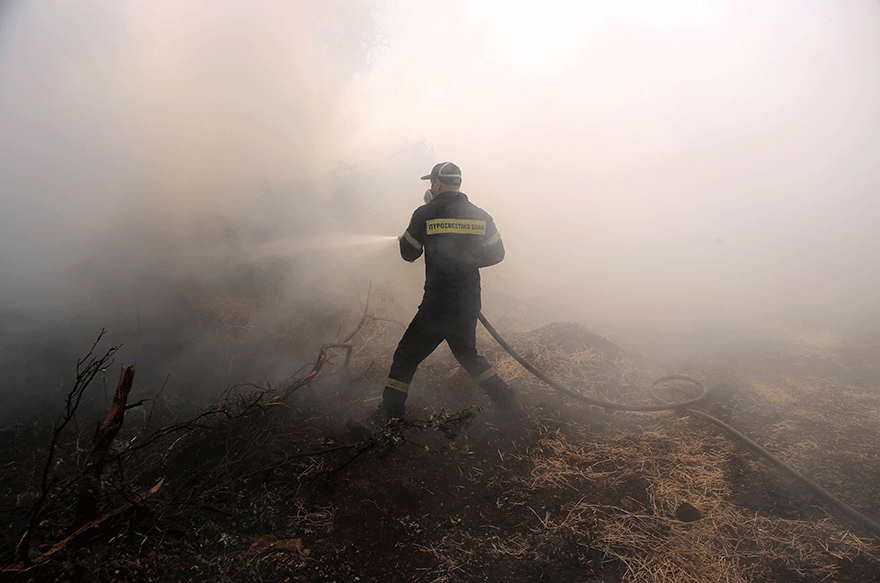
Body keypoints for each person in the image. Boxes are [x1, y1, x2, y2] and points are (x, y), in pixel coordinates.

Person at [362, 162, 523, 427]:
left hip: (437, 305)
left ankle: (388, 415)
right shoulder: (480, 215)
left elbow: (409, 253)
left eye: (431, 183)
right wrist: (467, 260)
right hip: (468, 302)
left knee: (405, 357)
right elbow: (498, 253)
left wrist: (409, 238)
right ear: (458, 184)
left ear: (437, 184)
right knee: (468, 355)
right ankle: (509, 405)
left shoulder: (425, 213)